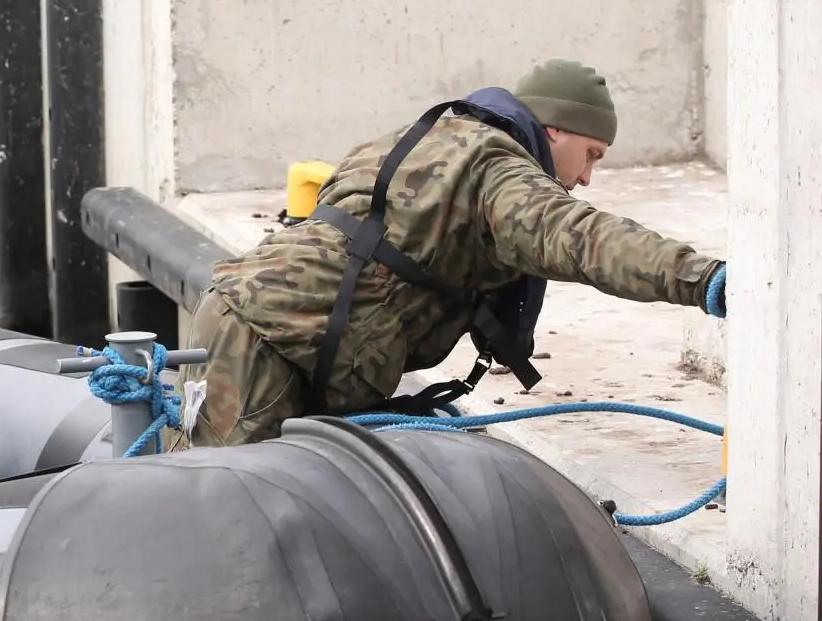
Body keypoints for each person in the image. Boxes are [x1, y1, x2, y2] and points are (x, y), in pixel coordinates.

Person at [177, 59, 729, 447]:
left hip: (251, 319)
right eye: (591, 154)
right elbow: (583, 238)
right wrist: (703, 279)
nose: (585, 177)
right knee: (233, 528)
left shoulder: (422, 136)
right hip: (271, 340)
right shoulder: (496, 167)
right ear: (554, 130)